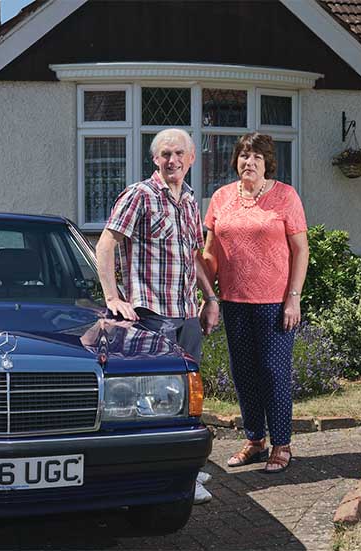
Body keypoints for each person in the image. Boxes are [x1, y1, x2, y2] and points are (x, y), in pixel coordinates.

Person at [95, 128, 220, 503]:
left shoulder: (190, 200)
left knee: (186, 399)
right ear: (155, 159)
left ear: (191, 158)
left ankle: (187, 469)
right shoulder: (140, 195)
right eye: (165, 154)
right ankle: (168, 481)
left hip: (186, 314)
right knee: (152, 404)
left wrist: (210, 297)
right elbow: (105, 245)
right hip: (153, 316)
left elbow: (193, 257)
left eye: (179, 153)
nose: (172, 160)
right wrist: (113, 297)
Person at [202, 132, 309, 474]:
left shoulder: (285, 196)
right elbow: (210, 252)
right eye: (244, 157)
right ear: (236, 161)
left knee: (273, 374)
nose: (249, 163)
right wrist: (203, 289)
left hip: (274, 303)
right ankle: (255, 440)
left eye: (257, 158)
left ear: (268, 164)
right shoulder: (220, 198)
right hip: (234, 301)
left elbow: (301, 250)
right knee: (243, 373)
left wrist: (293, 299)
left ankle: (281, 444)